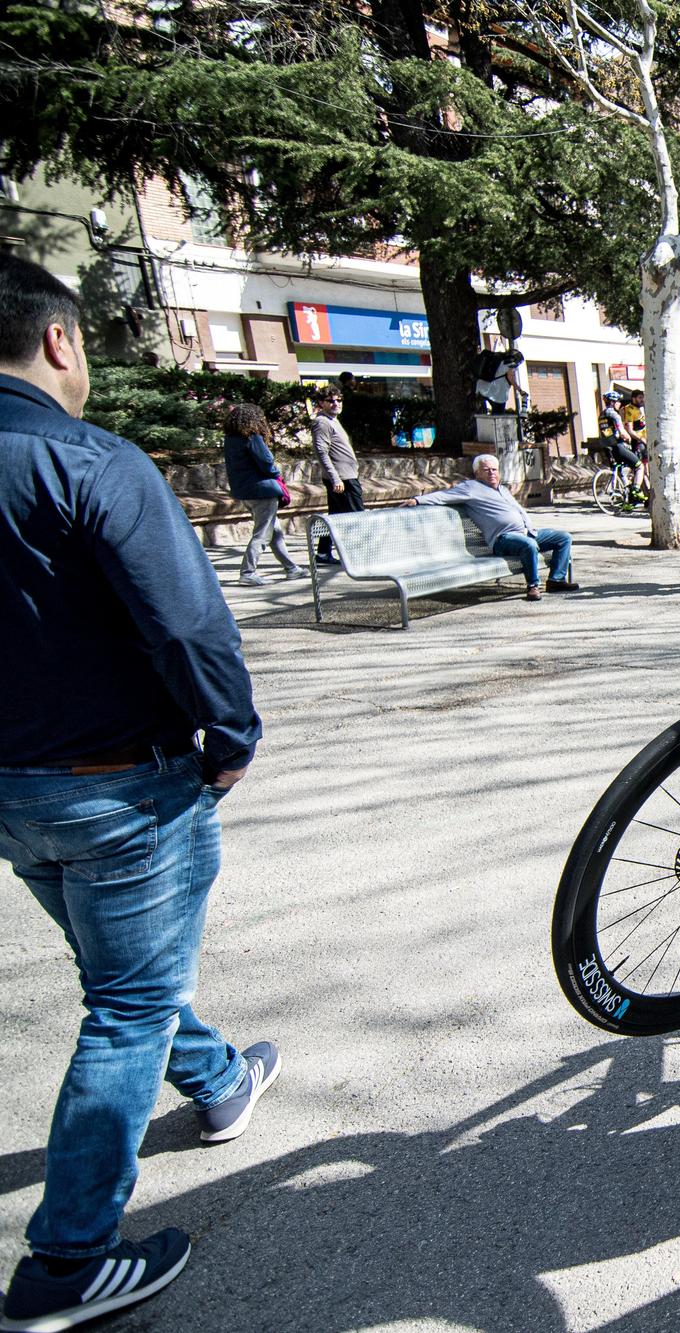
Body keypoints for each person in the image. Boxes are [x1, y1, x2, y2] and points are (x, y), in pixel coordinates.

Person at [0, 254, 277, 1331]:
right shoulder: (86, 459)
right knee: (124, 1003)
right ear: (59, 338)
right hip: (119, 781)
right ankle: (66, 1259)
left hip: (13, 790)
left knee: (124, 974)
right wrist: (232, 733)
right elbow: (187, 622)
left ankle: (218, 1082)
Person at [411, 454, 577, 601]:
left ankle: (556, 580)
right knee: (529, 545)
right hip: (503, 539)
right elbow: (443, 496)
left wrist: (529, 529)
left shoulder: (502, 489)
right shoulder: (470, 488)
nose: (491, 473)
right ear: (477, 473)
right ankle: (533, 586)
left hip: (527, 533)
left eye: (494, 469)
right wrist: (417, 500)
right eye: (486, 470)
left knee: (563, 537)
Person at [222, 402, 305, 586]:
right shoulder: (252, 437)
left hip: (244, 492)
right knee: (263, 534)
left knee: (274, 531)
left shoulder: (230, 439)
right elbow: (267, 462)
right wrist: (276, 474)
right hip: (262, 491)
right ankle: (248, 572)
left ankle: (291, 568)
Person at [310, 385, 362, 562]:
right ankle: (358, 556)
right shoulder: (322, 422)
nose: (335, 403)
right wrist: (335, 478)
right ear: (321, 403)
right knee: (357, 517)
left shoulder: (332, 420)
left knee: (336, 517)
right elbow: (321, 452)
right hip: (342, 479)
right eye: (330, 400)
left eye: (339, 400)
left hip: (346, 476)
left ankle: (323, 553)